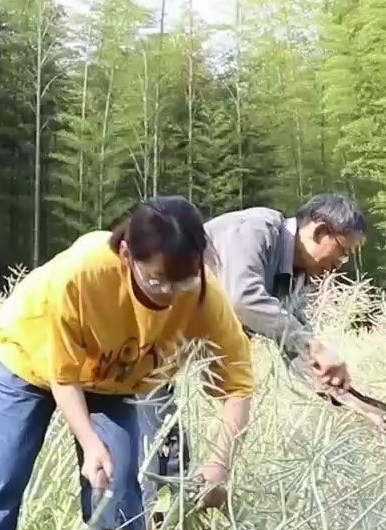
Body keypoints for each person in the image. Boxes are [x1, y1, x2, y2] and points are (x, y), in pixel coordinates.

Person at [0, 196, 257, 530]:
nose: (169, 295)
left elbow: (238, 387)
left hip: (116, 380)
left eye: (180, 283)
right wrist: (90, 444)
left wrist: (219, 465)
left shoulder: (202, 292)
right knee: (3, 480)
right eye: (156, 281)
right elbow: (63, 375)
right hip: (29, 360)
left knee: (119, 487)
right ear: (126, 253)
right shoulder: (83, 274)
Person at [140, 192, 368, 488]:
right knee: (156, 454)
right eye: (342, 250)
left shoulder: (295, 277)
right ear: (321, 230)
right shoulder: (257, 229)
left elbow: (294, 343)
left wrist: (355, 402)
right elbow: (242, 298)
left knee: (171, 462)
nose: (341, 262)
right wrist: (314, 345)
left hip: (175, 358)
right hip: (146, 345)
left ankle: (164, 521)